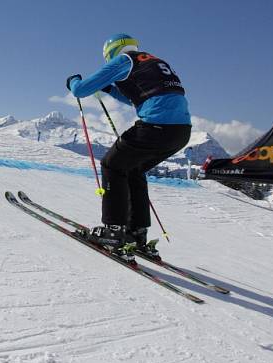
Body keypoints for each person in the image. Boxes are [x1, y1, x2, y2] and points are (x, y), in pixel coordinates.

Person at [66, 34, 191, 255]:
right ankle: (136, 231)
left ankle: (113, 232)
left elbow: (80, 90)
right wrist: (109, 89)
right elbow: (137, 98)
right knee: (133, 170)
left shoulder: (124, 60)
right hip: (181, 132)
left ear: (110, 52)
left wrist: (73, 81)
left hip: (155, 127)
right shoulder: (154, 61)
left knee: (112, 165)